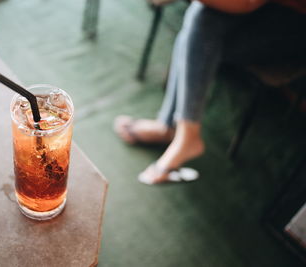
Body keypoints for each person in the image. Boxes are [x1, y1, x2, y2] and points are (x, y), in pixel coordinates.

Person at [114, 0, 306, 184]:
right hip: (261, 10)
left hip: (295, 26)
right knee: (200, 23)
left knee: (201, 27)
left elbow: (247, 2)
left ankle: (181, 133)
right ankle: (174, 129)